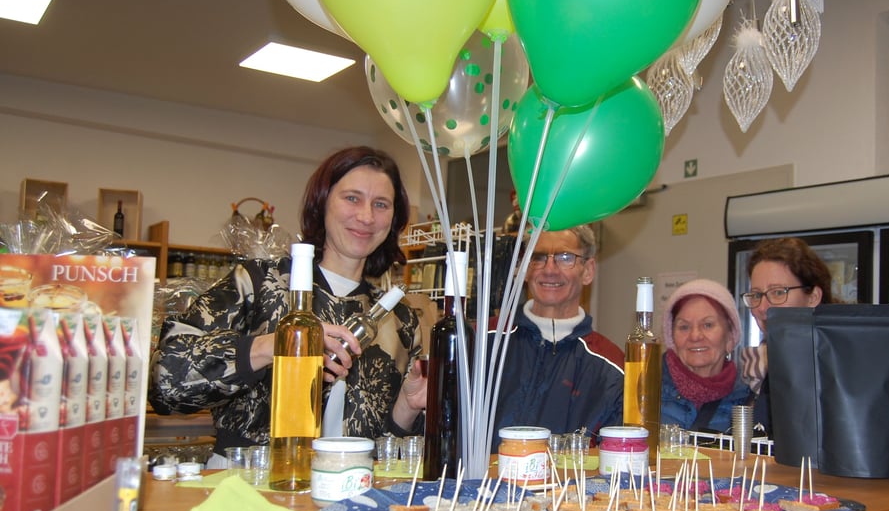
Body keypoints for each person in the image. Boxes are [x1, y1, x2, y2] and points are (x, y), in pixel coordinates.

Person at [149, 146, 427, 463]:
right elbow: (165, 380)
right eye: (352, 198)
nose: (366, 216)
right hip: (248, 482)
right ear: (322, 203)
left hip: (352, 484)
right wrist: (276, 345)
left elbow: (391, 448)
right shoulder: (259, 284)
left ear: (393, 218)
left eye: (381, 204)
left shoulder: (399, 319)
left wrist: (408, 407)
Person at [485, 224, 624, 451]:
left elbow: (618, 459)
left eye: (565, 257)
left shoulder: (611, 368)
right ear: (525, 268)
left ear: (588, 271)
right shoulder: (481, 342)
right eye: (539, 257)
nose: (549, 269)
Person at [739, 236, 836, 434]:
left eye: (777, 292)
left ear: (813, 297)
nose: (763, 307)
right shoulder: (765, 367)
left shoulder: (836, 368)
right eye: (756, 295)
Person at [660, 279, 751, 431]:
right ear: (671, 338)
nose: (695, 336)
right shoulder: (645, 391)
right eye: (684, 327)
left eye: (708, 325)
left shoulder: (749, 400)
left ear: (730, 337)